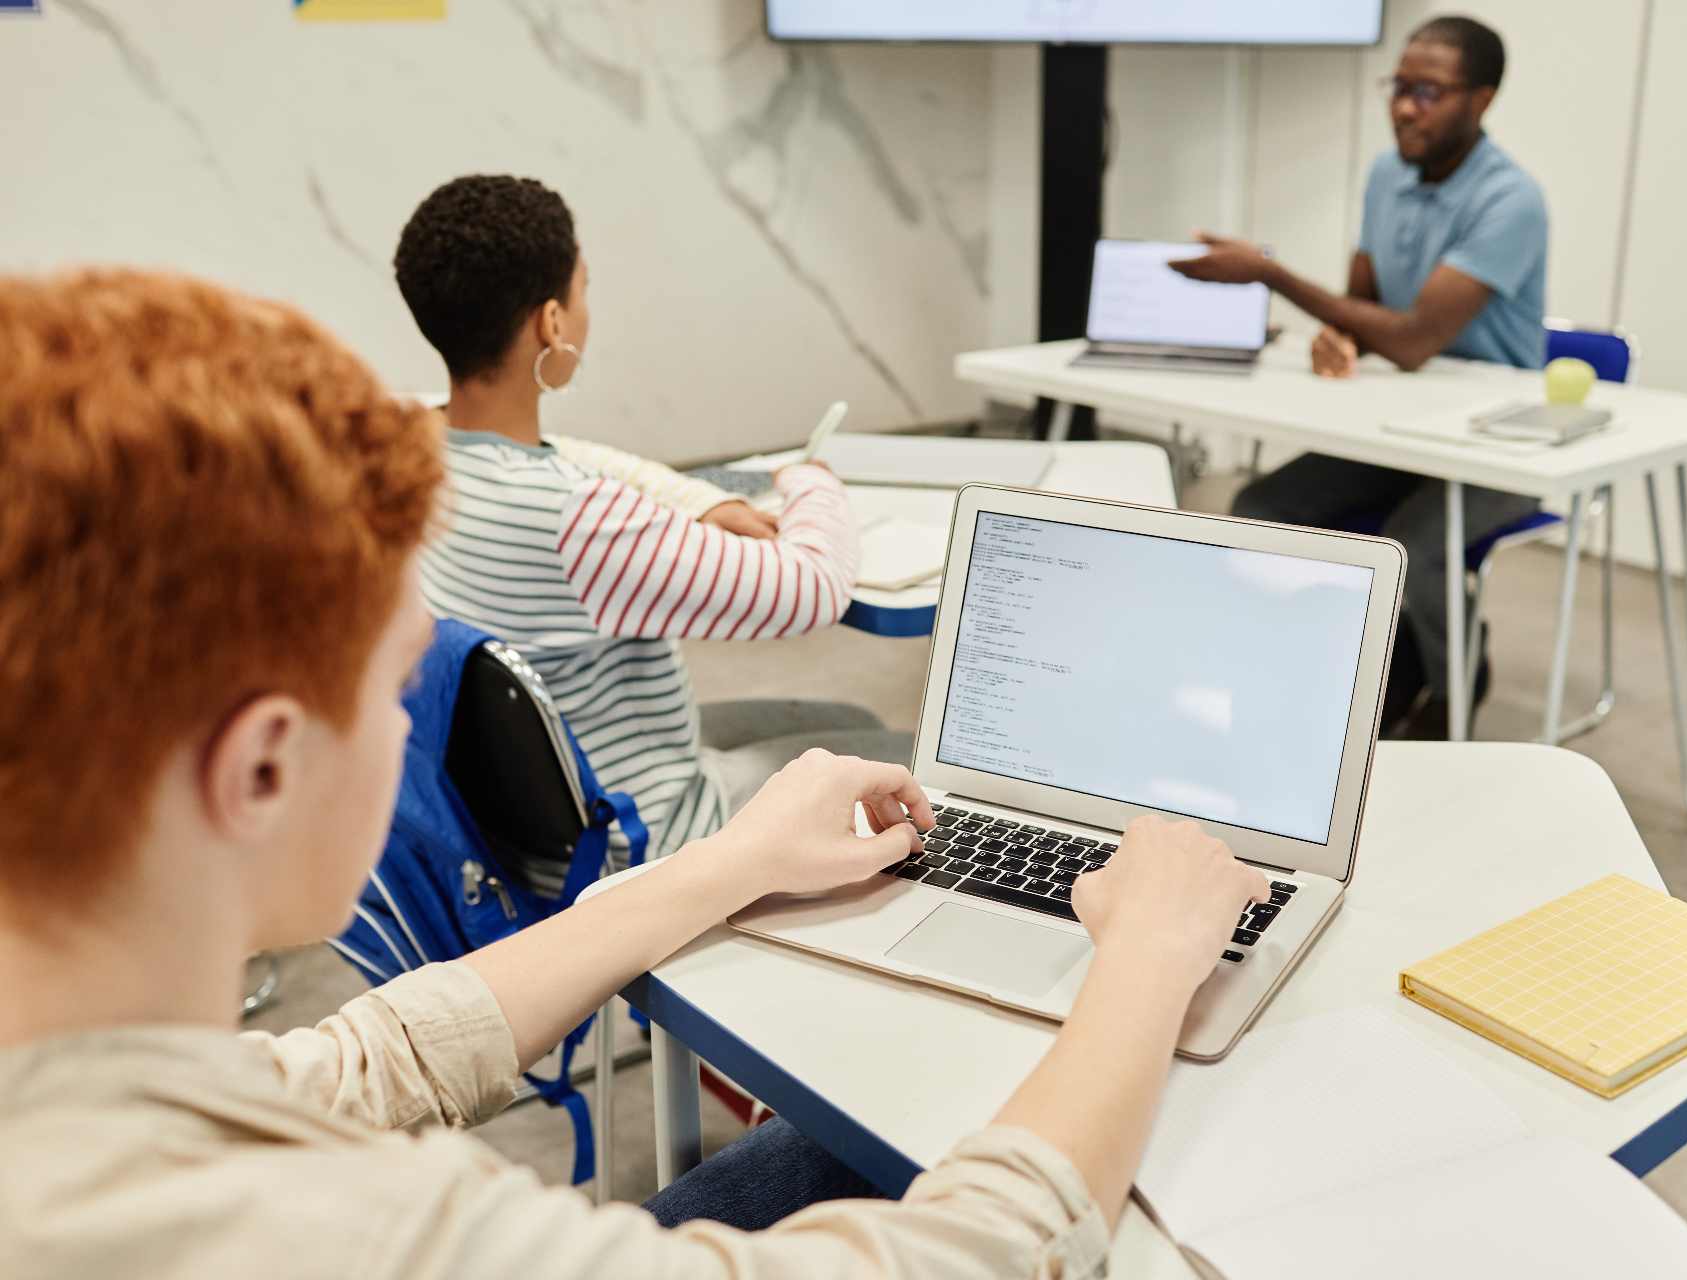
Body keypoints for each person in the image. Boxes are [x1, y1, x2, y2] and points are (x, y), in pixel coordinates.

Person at [0, 268, 1272, 1280]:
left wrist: (733, 861)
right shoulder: (328, 1230)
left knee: (832, 1148)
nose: (406, 726)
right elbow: (983, 1254)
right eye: (394, 687)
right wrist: (1149, 957)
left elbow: (374, 1054)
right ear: (263, 765)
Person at [393, 175, 909, 890]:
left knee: (844, 715)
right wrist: (810, 479)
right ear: (551, 323)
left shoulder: (406, 447)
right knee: (907, 762)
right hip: (646, 837)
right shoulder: (581, 523)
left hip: (530, 820)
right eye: (583, 289)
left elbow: (573, 456)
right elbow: (812, 588)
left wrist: (701, 504)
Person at [1173, 15, 1547, 737]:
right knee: (1260, 506)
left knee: (1417, 542)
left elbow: (1413, 340)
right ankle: (1318, 673)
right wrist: (1337, 339)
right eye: (1399, 87)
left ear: (1482, 100)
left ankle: (1453, 687)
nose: (1406, 106)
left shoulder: (1512, 201)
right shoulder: (1387, 175)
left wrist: (1270, 273)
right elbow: (1367, 310)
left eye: (1429, 92)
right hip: (1400, 426)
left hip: (1499, 440)